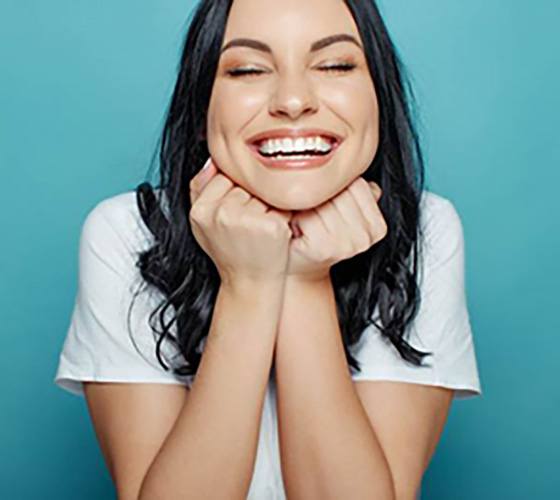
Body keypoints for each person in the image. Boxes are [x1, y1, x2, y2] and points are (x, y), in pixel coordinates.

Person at [53, 0, 482, 498]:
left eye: (335, 65)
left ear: (379, 98)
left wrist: (304, 277)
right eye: (248, 69)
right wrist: (250, 284)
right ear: (200, 109)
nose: (294, 100)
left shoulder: (424, 230)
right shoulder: (129, 232)